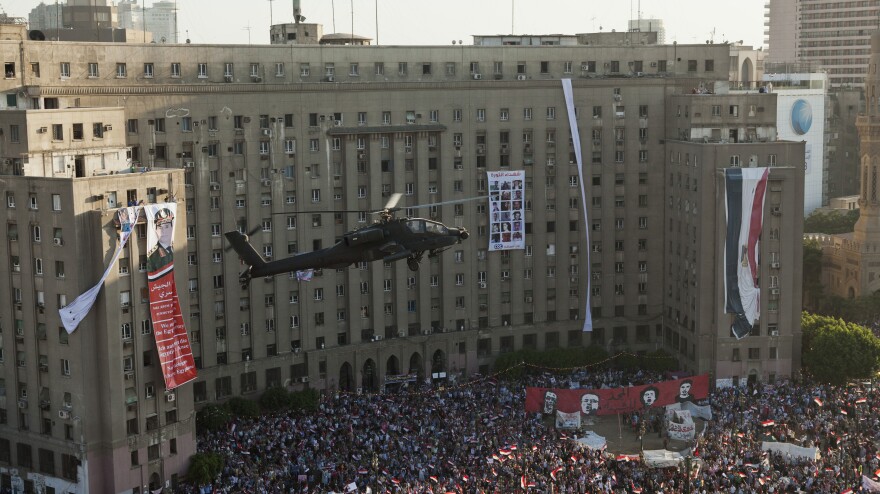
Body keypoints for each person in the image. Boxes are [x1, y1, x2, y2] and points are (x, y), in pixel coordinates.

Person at [147, 208, 175, 272]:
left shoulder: (172, 247)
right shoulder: (153, 255)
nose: (163, 231)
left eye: (167, 226)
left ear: (172, 226)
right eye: (160, 227)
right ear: (155, 229)